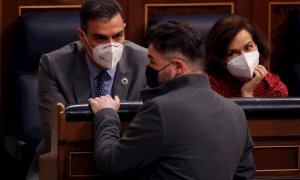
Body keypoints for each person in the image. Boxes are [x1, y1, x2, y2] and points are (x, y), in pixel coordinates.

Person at [88, 21, 256, 179]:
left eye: (152, 60)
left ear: (177, 67)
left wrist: (106, 114)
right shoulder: (236, 112)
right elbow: (244, 174)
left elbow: (111, 165)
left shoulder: (160, 110)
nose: (148, 67)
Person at [26, 0, 148, 179]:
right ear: (82, 36)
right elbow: (59, 130)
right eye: (100, 38)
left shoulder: (144, 61)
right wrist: (108, 118)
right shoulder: (53, 65)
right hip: (63, 160)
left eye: (118, 35)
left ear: (124, 28)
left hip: (125, 163)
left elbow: (148, 128)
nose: (111, 45)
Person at [205, 15, 288, 97]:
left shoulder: (273, 88)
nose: (244, 57)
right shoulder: (210, 86)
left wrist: (247, 95)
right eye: (233, 53)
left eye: (248, 47)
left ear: (257, 45)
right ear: (220, 59)